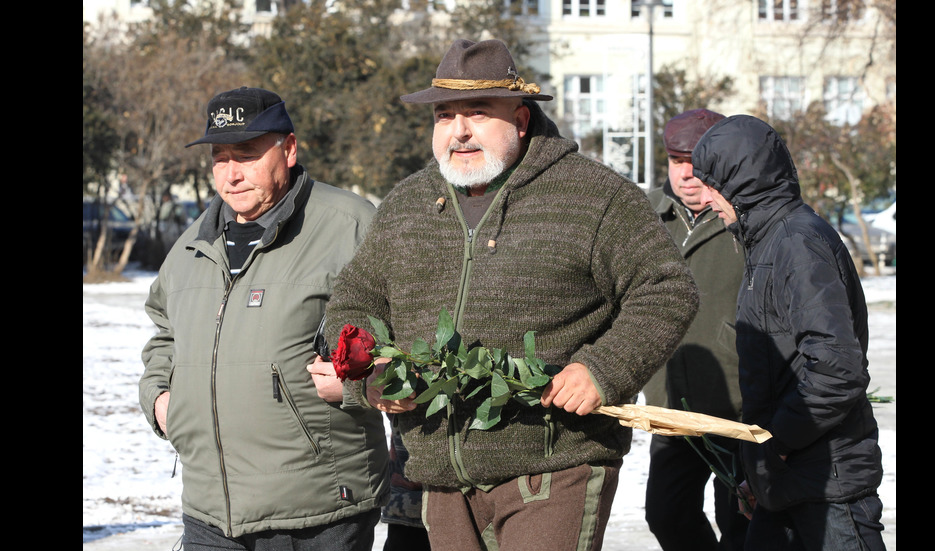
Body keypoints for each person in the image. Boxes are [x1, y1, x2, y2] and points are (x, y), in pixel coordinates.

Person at [310, 38, 699, 551]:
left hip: (554, 466)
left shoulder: (594, 197)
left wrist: (605, 370)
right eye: (445, 115)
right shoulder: (407, 204)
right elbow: (354, 304)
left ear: (519, 118)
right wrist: (369, 378)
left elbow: (667, 289)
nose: (459, 130)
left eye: (477, 112)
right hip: (441, 478)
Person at [139, 86, 389, 551]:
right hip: (209, 512)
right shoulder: (193, 243)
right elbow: (165, 333)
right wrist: (160, 396)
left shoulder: (351, 224)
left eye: (248, 155)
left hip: (318, 511)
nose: (231, 174)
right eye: (220, 157)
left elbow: (407, 336)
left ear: (289, 149)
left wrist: (364, 380)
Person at [691, 114, 886, 550]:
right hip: (787, 483)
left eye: (712, 185)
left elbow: (837, 370)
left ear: (743, 184)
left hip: (827, 487)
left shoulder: (798, 244)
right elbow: (776, 373)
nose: (705, 200)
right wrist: (758, 469)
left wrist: (774, 446)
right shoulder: (766, 242)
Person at [642, 109, 749, 551]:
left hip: (739, 407)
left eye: (697, 160)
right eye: (675, 159)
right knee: (666, 513)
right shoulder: (644, 215)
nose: (686, 174)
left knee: (740, 519)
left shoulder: (745, 218)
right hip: (671, 406)